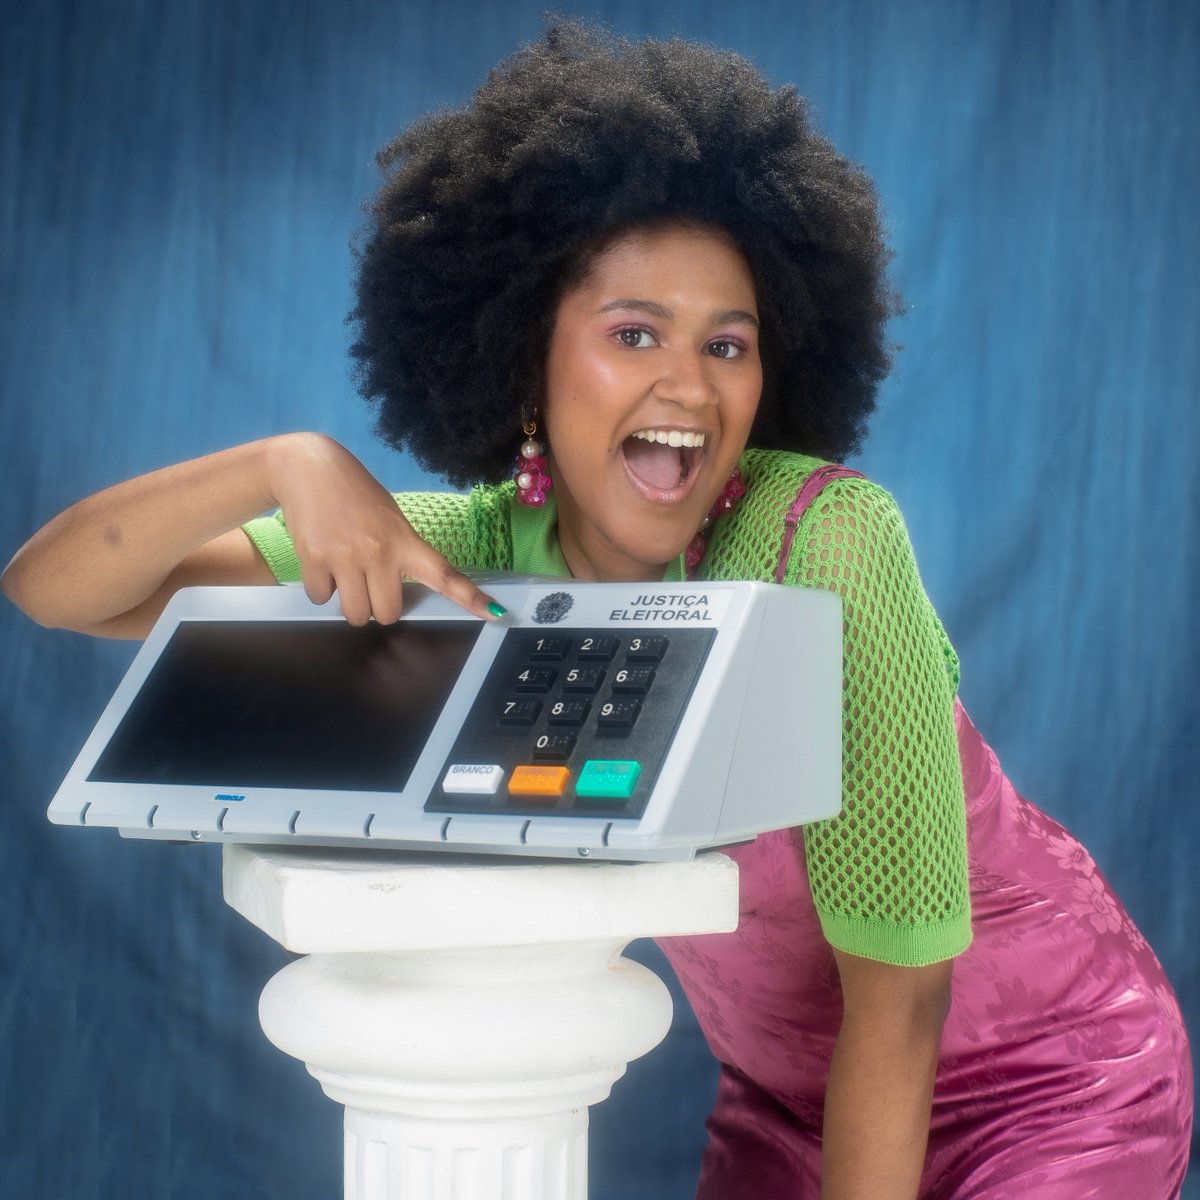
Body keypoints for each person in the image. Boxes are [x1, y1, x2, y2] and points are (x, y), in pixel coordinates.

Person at [2, 20, 1191, 1199]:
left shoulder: (824, 542)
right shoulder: (475, 547)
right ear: (528, 360)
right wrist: (284, 461)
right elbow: (56, 591)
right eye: (634, 334)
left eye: (729, 343)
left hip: (1048, 1081)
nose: (690, 383)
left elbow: (902, 993)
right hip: (788, 1100)